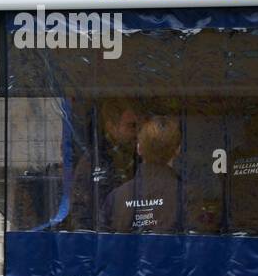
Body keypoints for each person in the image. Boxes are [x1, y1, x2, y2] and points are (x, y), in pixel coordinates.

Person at [69, 100, 139, 231]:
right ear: (111, 127)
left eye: (138, 127)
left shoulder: (139, 158)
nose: (137, 133)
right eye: (131, 126)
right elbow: (79, 210)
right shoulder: (93, 161)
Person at [108, 116, 183, 234]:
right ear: (178, 149)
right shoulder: (188, 196)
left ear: (139, 148)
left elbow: (104, 246)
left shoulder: (117, 197)